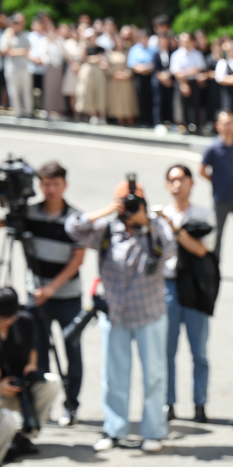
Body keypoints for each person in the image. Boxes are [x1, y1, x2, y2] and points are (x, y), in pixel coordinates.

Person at [66, 179, 175, 453]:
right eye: (124, 202)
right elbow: (72, 228)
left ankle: (154, 432)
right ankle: (114, 431)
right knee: (114, 376)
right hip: (115, 315)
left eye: (133, 201)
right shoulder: (106, 229)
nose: (128, 208)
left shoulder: (154, 227)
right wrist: (106, 210)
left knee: (154, 376)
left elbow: (171, 248)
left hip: (149, 313)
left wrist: (146, 221)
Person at [0, 162, 85, 427]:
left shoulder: (74, 218)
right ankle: (43, 404)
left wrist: (52, 287)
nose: (50, 189)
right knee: (38, 350)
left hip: (67, 295)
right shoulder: (30, 213)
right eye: (45, 184)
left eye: (55, 184)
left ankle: (71, 405)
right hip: (35, 296)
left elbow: (78, 259)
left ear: (64, 185)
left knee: (72, 350)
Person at [159, 164, 212, 423]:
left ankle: (200, 403)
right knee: (166, 351)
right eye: (172, 180)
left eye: (181, 179)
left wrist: (175, 229)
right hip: (167, 285)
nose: (176, 184)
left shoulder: (203, 213)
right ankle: (168, 403)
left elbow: (202, 250)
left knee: (199, 351)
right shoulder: (159, 215)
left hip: (195, 286)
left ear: (192, 182)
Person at [0, 288, 60, 459]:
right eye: (3, 319)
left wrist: (31, 366)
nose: (7, 323)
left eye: (11, 317)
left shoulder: (24, 321)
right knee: (7, 420)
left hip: (19, 389)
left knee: (52, 383)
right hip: (1, 393)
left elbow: (33, 348)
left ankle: (24, 436)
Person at [199, 109, 233, 261]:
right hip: (220, 199)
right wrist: (215, 180)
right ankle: (215, 267)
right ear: (218, 126)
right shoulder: (213, 148)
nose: (228, 127)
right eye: (225, 123)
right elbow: (201, 170)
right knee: (217, 236)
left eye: (231, 123)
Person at [170, 32, 206, 134]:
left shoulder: (197, 54)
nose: (185, 43)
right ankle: (185, 126)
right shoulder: (176, 55)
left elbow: (198, 68)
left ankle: (198, 127)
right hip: (181, 82)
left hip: (194, 82)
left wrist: (184, 72)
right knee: (183, 105)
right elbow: (176, 72)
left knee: (196, 105)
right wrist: (184, 82)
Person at [0, 13, 32, 118]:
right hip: (12, 68)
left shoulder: (25, 35)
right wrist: (18, 51)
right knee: (13, 91)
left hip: (24, 67)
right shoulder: (7, 35)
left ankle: (28, 112)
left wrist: (14, 52)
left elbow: (27, 50)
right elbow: (5, 51)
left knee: (26, 91)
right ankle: (18, 112)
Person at [74, 27, 108, 124]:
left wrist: (93, 59)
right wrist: (83, 41)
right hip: (88, 72)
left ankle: (102, 116)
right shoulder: (85, 47)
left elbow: (102, 60)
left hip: (98, 72)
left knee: (100, 93)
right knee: (89, 92)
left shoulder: (101, 48)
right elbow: (84, 58)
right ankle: (93, 115)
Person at [107, 37, 138, 126]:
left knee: (128, 99)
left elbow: (132, 65)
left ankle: (130, 118)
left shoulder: (128, 52)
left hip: (126, 80)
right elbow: (107, 67)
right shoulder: (111, 53)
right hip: (115, 81)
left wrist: (126, 74)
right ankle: (120, 118)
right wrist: (114, 74)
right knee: (118, 100)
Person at [127, 29, 155, 127]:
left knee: (151, 98)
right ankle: (143, 120)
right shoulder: (134, 49)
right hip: (139, 77)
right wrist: (143, 68)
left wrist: (147, 68)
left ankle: (151, 120)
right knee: (140, 98)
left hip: (150, 76)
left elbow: (154, 64)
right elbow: (132, 64)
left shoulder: (153, 50)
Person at [151, 33, 173, 127]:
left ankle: (171, 122)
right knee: (158, 102)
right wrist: (163, 78)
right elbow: (156, 69)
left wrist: (168, 77)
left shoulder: (172, 53)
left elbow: (174, 66)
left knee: (170, 103)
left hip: (170, 82)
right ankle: (158, 122)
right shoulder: (156, 54)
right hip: (159, 82)